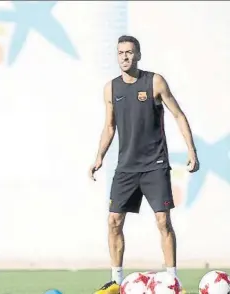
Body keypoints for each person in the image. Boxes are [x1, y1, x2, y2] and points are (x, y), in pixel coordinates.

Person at [90, 35, 199, 294]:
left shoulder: (154, 82)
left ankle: (172, 280)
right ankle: (116, 281)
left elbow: (178, 115)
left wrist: (191, 151)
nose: (124, 57)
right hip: (126, 168)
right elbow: (109, 126)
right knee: (114, 221)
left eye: (129, 52)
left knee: (163, 221)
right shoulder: (110, 88)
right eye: (120, 53)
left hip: (155, 164)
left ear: (138, 55)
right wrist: (99, 157)